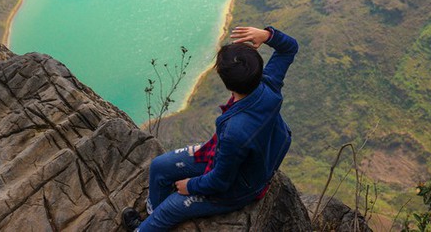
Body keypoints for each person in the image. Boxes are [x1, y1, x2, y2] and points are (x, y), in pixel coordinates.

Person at [123, 25, 299, 231]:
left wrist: (189, 186)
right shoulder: (268, 84)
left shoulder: (235, 132)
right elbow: (289, 48)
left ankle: (147, 226)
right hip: (240, 159)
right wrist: (268, 35)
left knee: (171, 207)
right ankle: (152, 216)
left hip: (242, 186)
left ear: (226, 82)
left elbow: (221, 182)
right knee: (159, 166)